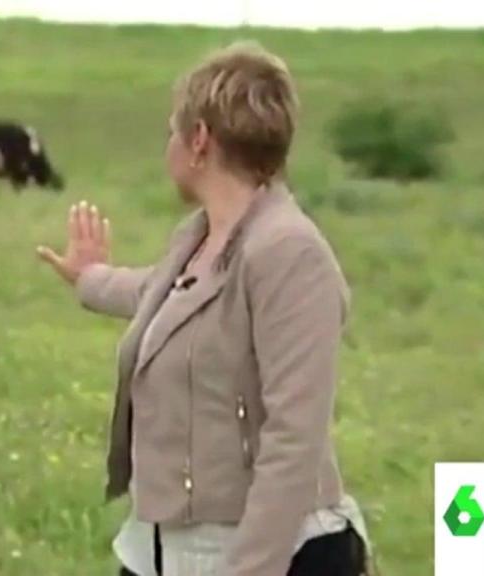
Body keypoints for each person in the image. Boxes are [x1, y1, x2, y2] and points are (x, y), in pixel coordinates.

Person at [37, 42, 371, 576]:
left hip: (271, 555)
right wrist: (90, 277)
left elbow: (294, 439)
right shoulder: (197, 238)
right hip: (164, 551)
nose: (167, 145)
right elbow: (165, 294)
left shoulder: (290, 252)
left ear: (198, 141)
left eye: (173, 130)